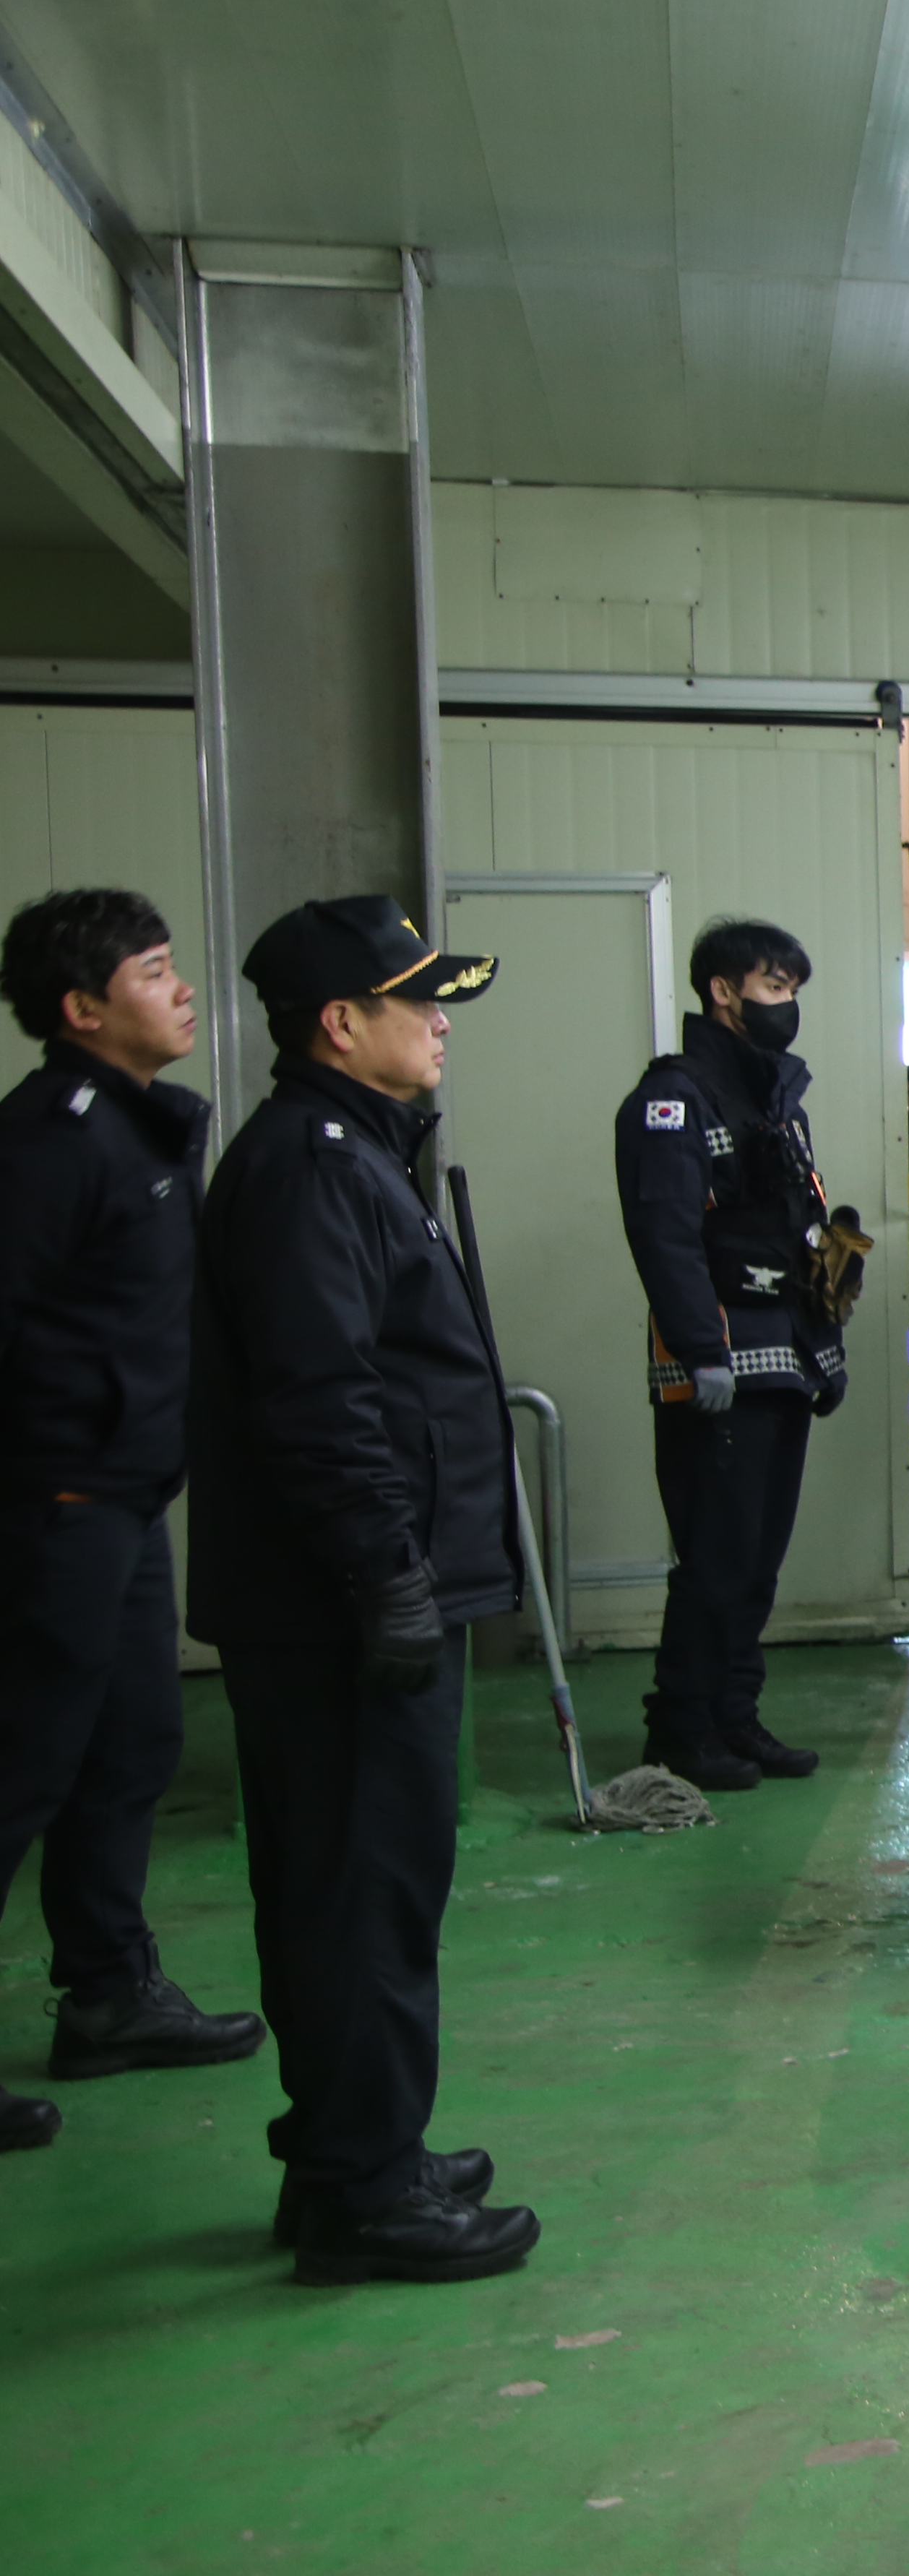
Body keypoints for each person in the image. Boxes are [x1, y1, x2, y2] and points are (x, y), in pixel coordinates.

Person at [191, 894, 539, 2281]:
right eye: (418, 1000)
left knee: (353, 1886)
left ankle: (350, 2148)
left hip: (349, 1594)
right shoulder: (311, 1166)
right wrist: (387, 1573)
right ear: (342, 1023)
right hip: (340, 1607)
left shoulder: (346, 1153)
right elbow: (320, 1397)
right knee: (360, 1892)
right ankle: (365, 2192)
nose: (442, 1021)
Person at [0, 891, 264, 2157]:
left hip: (121, 1496)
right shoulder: (49, 1142)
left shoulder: (140, 1129)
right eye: (154, 972)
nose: (182, 988)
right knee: (21, 1766)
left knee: (132, 1745)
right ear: (83, 1009)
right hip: (53, 1504)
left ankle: (108, 1992)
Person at [615, 917, 864, 1792]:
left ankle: (733, 1714)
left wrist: (825, 1345)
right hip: (718, 1368)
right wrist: (700, 1350)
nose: (787, 1004)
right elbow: (666, 1236)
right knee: (716, 1560)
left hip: (785, 1359)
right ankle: (681, 1729)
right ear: (723, 992)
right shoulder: (672, 1099)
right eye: (773, 987)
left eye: (793, 990)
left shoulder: (775, 1102)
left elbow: (801, 1231)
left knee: (757, 1562)